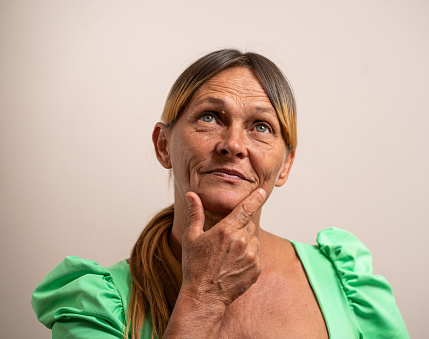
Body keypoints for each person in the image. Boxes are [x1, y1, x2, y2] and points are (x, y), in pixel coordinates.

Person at [32, 49, 409, 339]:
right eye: (210, 117)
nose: (233, 144)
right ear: (163, 145)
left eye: (261, 126)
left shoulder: (348, 285)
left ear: (287, 165)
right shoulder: (96, 306)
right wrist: (203, 296)